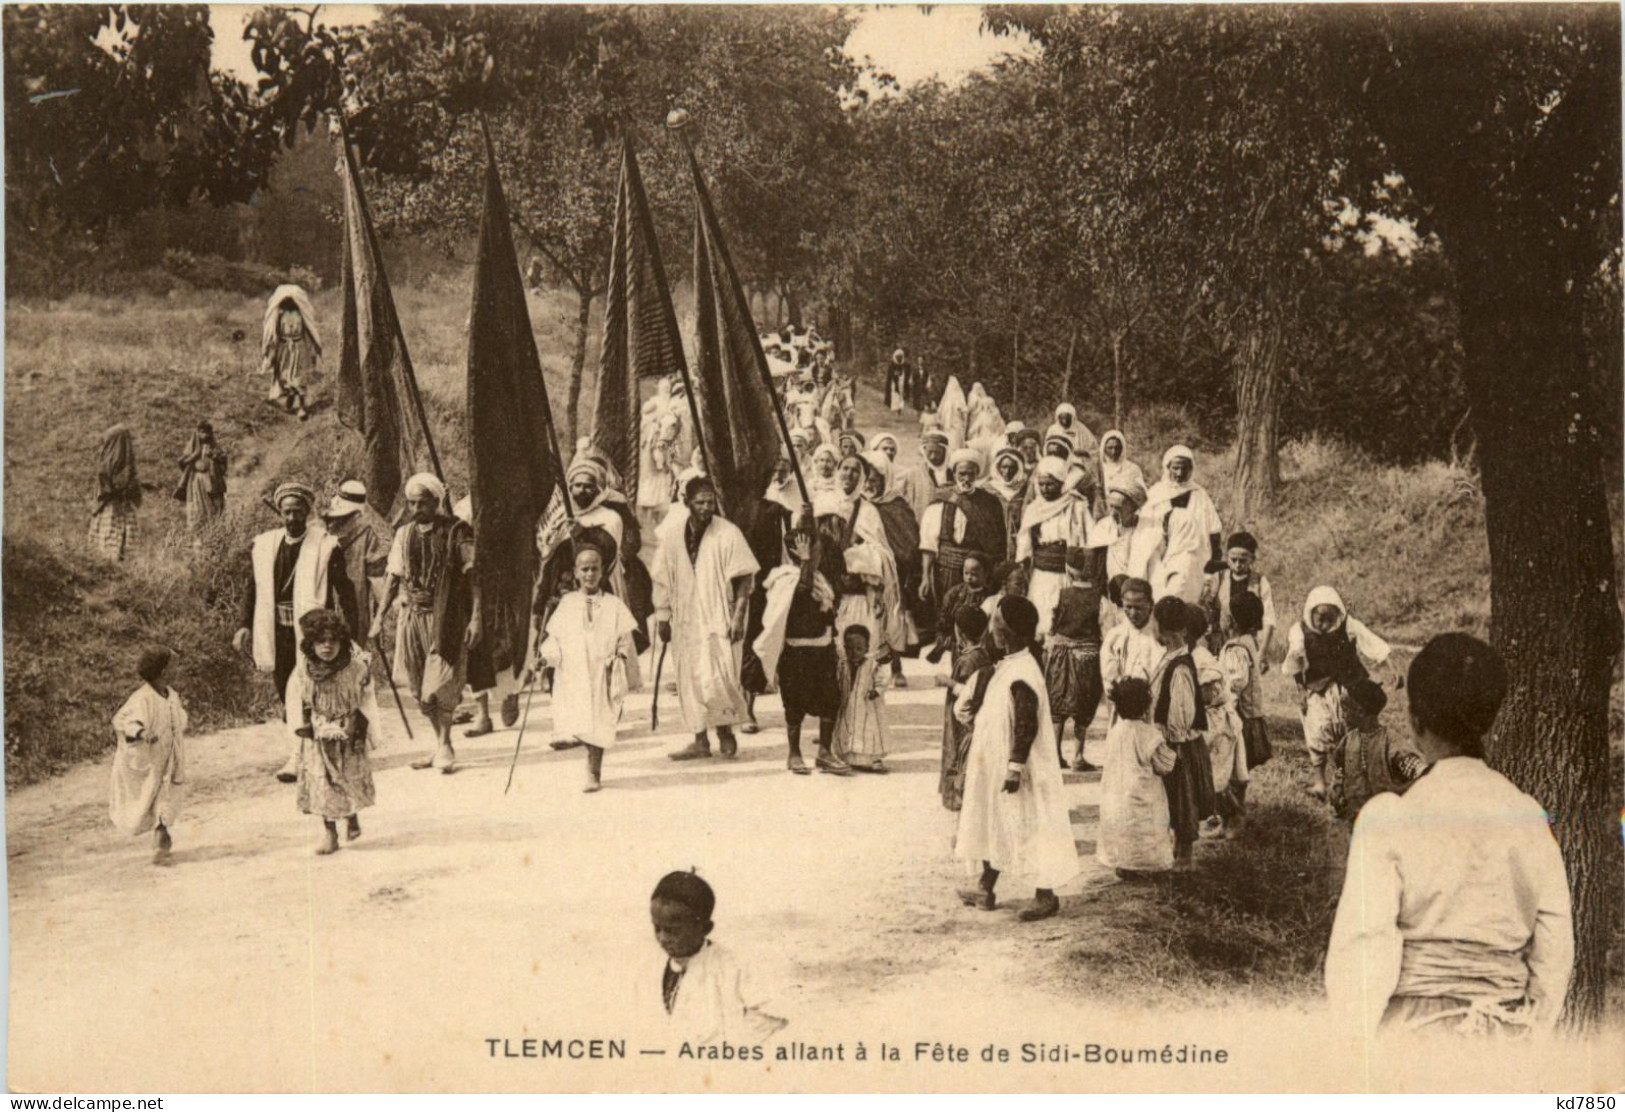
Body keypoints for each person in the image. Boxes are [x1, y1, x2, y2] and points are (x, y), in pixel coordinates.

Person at [1325, 634, 1572, 1038]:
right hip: (1508, 1044)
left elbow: (1362, 952)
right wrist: (1528, 1033)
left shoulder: (1389, 819)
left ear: (1415, 721)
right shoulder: (1528, 818)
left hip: (1413, 1042)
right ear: (1490, 719)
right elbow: (1554, 951)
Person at [953, 597, 1079, 921]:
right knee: (995, 819)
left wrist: (1015, 766)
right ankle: (985, 886)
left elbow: (1026, 724)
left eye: (997, 621)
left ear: (1009, 631)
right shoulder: (1008, 665)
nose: (992, 627)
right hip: (997, 762)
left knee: (1029, 823)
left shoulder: (1022, 672)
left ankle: (1046, 894)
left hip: (1021, 768)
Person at [235, 482, 358, 783]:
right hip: (277, 630)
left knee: (311, 691)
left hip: (314, 634)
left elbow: (346, 590)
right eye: (287, 512)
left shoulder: (326, 546)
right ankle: (300, 750)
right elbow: (253, 589)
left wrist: (352, 633)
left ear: (308, 511)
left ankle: (302, 755)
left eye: (298, 512)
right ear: (280, 512)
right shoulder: (265, 546)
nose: (292, 518)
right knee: (286, 691)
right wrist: (242, 626)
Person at [368, 472, 481, 775]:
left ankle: (445, 745)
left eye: (423, 502)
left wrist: (475, 617)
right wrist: (379, 619)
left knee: (440, 685)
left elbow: (474, 577)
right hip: (412, 618)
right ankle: (440, 743)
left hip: (446, 618)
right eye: (412, 503)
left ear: (437, 501)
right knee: (419, 688)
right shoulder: (404, 534)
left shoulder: (457, 531)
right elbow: (393, 577)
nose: (417, 508)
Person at [653, 477, 760, 762]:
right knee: (690, 678)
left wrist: (738, 616)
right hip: (686, 618)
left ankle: (725, 733)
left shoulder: (728, 533)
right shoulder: (673, 535)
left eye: (710, 502)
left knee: (719, 677)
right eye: (699, 502)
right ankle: (699, 738)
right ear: (687, 503)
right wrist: (663, 615)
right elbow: (662, 580)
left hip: (718, 615)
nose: (705, 507)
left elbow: (745, 577)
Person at [538, 543, 641, 793]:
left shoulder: (614, 604)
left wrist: (620, 660)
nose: (590, 574)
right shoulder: (567, 603)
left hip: (602, 673)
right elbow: (555, 641)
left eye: (595, 569)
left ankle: (593, 769)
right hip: (574, 674)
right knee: (580, 720)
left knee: (600, 721)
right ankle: (588, 754)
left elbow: (625, 639)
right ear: (575, 572)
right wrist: (545, 658)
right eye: (584, 569)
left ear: (603, 572)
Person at [647, 871, 788, 1046]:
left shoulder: (731, 967)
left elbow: (771, 1019)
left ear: (705, 928)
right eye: (657, 928)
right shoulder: (649, 970)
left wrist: (729, 1045)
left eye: (673, 931)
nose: (663, 938)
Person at [1282, 585, 1396, 801]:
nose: (1324, 624)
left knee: (1350, 729)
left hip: (1348, 686)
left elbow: (1371, 642)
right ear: (1311, 613)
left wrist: (1391, 666)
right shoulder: (1299, 631)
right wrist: (1300, 691)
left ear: (1338, 614)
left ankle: (1350, 777)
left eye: (1329, 618)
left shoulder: (1348, 625)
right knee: (1316, 730)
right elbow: (1295, 663)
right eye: (1320, 618)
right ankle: (1319, 781)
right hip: (1317, 690)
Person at [754, 528, 849, 776]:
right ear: (799, 552)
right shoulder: (784, 578)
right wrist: (806, 560)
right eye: (814, 550)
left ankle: (825, 753)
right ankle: (794, 754)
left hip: (823, 648)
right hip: (796, 652)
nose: (819, 554)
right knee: (794, 703)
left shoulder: (819, 577)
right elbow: (802, 590)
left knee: (830, 700)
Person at [287, 609, 377, 856]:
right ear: (311, 644)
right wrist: (312, 727)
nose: (327, 647)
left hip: (348, 733)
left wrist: (362, 731)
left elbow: (367, 702)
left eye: (333, 641)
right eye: (320, 641)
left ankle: (352, 816)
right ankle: (330, 832)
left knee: (347, 779)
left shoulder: (356, 669)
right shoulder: (304, 671)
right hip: (319, 733)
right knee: (323, 783)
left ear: (342, 642)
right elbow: (301, 704)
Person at [1148, 597, 1216, 868]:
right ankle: (1176, 850)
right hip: (1171, 742)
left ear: (1163, 629)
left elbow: (1182, 713)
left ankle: (1184, 855)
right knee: (1172, 800)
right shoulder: (1170, 659)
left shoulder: (1181, 668)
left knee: (1182, 800)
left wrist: (1169, 737)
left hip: (1179, 747)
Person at [110, 647, 187, 866]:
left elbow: (178, 719)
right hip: (150, 759)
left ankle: (161, 836)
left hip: (170, 757)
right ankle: (160, 839)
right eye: (173, 666)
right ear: (162, 672)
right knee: (151, 796)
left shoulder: (171, 695)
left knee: (167, 795)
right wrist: (142, 733)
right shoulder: (142, 698)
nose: (177, 670)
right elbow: (124, 720)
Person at [920, 449, 1007, 645]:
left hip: (980, 571)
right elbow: (928, 544)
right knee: (950, 610)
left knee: (978, 613)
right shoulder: (942, 501)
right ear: (954, 474)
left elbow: (998, 543)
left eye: (970, 473)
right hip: (948, 568)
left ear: (977, 474)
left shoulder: (990, 503)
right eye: (961, 474)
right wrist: (925, 577)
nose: (966, 478)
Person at [1095, 677, 1175, 878]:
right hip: (1141, 792)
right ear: (1146, 707)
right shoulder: (1148, 734)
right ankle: (1147, 866)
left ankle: (1123, 863)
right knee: (1145, 827)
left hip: (1117, 793)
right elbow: (1165, 765)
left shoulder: (1115, 732)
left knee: (1121, 826)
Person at [861, 450, 922, 684]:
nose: (869, 485)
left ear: (885, 480)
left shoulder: (895, 505)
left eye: (874, 481)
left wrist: (894, 559)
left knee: (892, 619)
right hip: (864, 571)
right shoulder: (856, 505)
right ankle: (869, 667)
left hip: (892, 571)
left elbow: (908, 540)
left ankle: (896, 667)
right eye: (865, 481)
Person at [1328, 678, 1427, 823]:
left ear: (1360, 712)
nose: (1342, 715)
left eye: (1346, 710)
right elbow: (1340, 768)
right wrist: (1337, 787)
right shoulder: (1348, 740)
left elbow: (1416, 769)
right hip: (1354, 817)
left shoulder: (1390, 741)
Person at [1045, 549, 1105, 771]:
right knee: (1084, 704)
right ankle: (1078, 756)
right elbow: (1104, 629)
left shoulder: (1060, 594)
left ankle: (1055, 752)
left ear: (1068, 570)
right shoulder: (1100, 598)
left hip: (1061, 654)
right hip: (1087, 658)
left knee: (1058, 703)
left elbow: (1050, 626)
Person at [1145, 446, 1223, 603]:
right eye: (1175, 468)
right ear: (1167, 468)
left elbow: (1214, 531)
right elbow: (1145, 530)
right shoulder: (1156, 494)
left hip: (1194, 559)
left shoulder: (1199, 495)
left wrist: (1213, 565)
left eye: (1184, 468)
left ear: (1191, 469)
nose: (1179, 473)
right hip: (1161, 559)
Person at [1016, 457, 1079, 642]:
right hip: (1041, 573)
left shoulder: (1075, 504)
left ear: (1061, 483)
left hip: (1065, 572)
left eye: (1050, 485)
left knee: (1060, 619)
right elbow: (1025, 540)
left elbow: (1083, 539)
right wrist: (1023, 563)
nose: (1045, 489)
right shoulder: (1034, 508)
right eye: (1041, 484)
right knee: (1040, 619)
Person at [321, 480, 390, 646]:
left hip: (353, 604)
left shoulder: (368, 534)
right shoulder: (321, 529)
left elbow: (377, 581)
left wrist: (379, 619)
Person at [940, 605, 994, 811]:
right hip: (969, 720)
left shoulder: (969, 660)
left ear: (959, 632)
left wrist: (949, 683)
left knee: (961, 760)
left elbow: (971, 694)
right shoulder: (982, 655)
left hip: (963, 722)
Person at [1220, 592, 1273, 773]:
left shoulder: (1236, 649)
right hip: (1250, 714)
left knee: (1234, 762)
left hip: (1240, 715)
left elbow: (1236, 682)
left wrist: (1224, 706)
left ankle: (1233, 798)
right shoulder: (1250, 641)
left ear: (1230, 621)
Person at [1204, 531, 1278, 659]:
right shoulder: (1218, 578)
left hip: (1248, 644)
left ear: (1252, 559)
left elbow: (1269, 619)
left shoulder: (1260, 582)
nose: (1238, 565)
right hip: (1220, 644)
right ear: (1227, 557)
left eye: (1243, 560)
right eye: (1234, 560)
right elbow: (1206, 609)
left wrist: (1262, 652)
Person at [1198, 656, 1248, 839]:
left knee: (1219, 780)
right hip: (1214, 729)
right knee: (1214, 780)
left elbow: (1208, 693)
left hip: (1221, 732)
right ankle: (1226, 822)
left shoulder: (1202, 661)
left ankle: (1236, 816)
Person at [1101, 577, 1160, 725]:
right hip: (1126, 712)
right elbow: (1109, 674)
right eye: (1128, 607)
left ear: (1150, 605)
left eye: (1138, 607)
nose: (1133, 613)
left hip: (1155, 709)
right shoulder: (1115, 636)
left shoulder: (1159, 636)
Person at [833, 624, 890, 773]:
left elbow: (883, 678)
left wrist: (876, 691)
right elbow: (838, 679)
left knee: (870, 731)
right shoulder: (843, 664)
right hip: (848, 705)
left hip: (868, 705)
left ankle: (874, 759)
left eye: (859, 648)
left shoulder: (872, 664)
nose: (854, 653)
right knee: (847, 729)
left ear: (867, 648)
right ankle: (848, 758)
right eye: (850, 649)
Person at [260, 284, 321, 420]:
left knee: (298, 378)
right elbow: (272, 334)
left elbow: (309, 333)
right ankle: (290, 397)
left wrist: (312, 350)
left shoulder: (302, 316)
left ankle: (301, 407)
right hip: (284, 350)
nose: (289, 304)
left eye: (292, 301)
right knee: (286, 376)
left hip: (299, 349)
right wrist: (270, 353)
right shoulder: (278, 316)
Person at [925, 551, 993, 665]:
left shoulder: (989, 596)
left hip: (981, 641)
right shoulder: (955, 593)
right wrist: (943, 636)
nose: (969, 578)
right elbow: (944, 617)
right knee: (958, 663)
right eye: (966, 573)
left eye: (974, 574)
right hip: (958, 639)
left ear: (985, 574)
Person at [89, 424, 142, 561]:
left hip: (115, 509)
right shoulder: (112, 464)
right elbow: (115, 485)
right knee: (113, 546)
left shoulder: (111, 462)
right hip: (114, 509)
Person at [1102, 476, 1161, 584]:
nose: (1113, 513)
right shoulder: (1104, 527)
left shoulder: (1149, 532)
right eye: (1111, 507)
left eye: (1118, 508)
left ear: (1134, 507)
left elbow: (1155, 574)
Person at [175, 420, 226, 532]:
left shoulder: (215, 447)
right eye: (202, 432)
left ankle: (214, 531)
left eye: (207, 432)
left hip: (213, 481)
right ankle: (198, 532)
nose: (205, 435)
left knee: (214, 509)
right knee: (198, 510)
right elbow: (183, 462)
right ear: (198, 433)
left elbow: (223, 464)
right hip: (197, 482)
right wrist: (194, 458)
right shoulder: (193, 447)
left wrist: (215, 458)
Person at [983, 446, 1028, 558]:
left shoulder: (1026, 488)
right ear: (998, 467)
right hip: (993, 540)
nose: (1007, 472)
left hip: (1019, 540)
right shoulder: (987, 488)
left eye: (1012, 467)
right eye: (1004, 467)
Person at [1098, 429, 1143, 495]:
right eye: (1110, 448)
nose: (1113, 452)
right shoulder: (1098, 469)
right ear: (1104, 448)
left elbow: (1140, 493)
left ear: (1122, 448)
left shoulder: (1132, 469)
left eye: (1117, 448)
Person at [937, 375, 968, 449]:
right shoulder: (959, 396)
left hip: (949, 424)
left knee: (951, 439)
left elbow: (940, 411)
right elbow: (963, 410)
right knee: (955, 440)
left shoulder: (947, 397)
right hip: (956, 423)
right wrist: (964, 421)